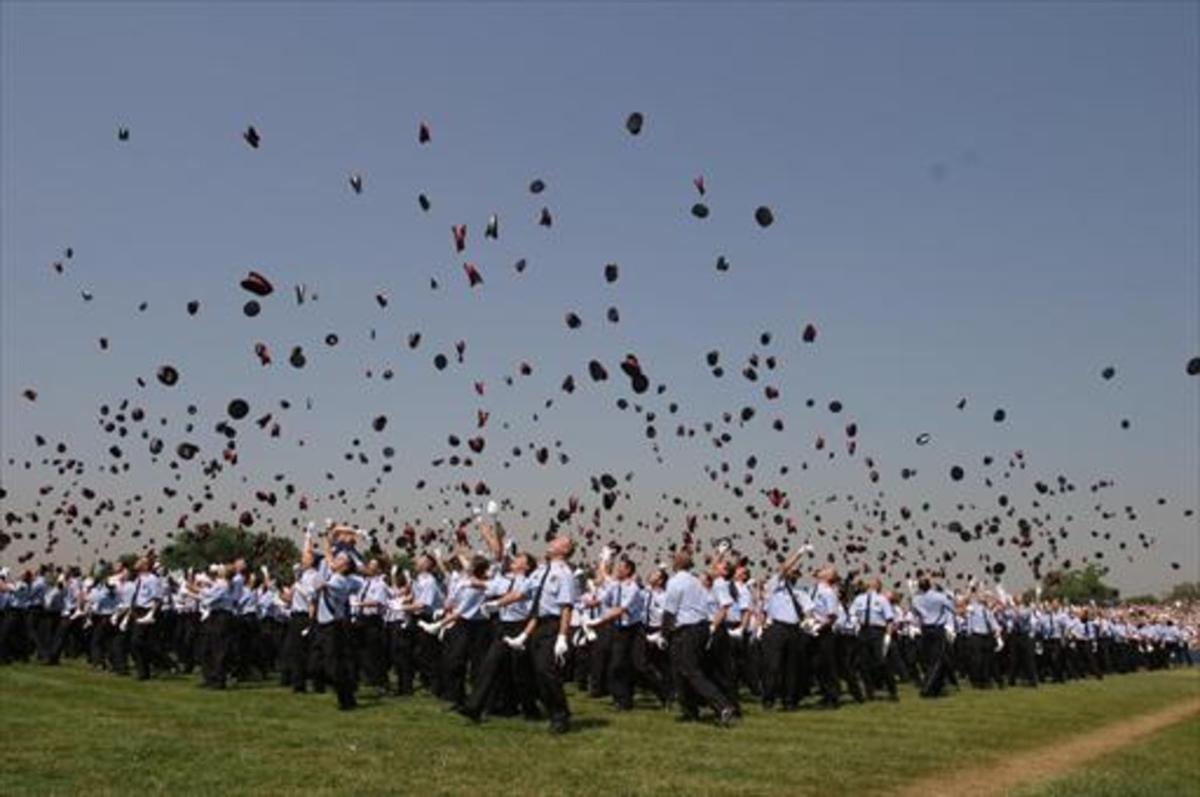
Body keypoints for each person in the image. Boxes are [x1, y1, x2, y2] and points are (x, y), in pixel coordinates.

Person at [662, 548, 736, 727]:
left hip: (686, 630)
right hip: (700, 628)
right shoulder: (696, 581)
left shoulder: (675, 582)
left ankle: (722, 705)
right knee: (681, 672)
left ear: (678, 563)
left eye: (675, 559)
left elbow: (669, 611)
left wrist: (664, 634)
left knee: (690, 670)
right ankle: (690, 711)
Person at [314, 530, 360, 710]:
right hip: (324, 624)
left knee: (334, 666)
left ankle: (346, 699)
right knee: (323, 663)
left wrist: (328, 538)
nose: (335, 560)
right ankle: (346, 693)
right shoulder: (334, 574)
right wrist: (328, 535)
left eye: (340, 559)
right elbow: (327, 557)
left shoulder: (341, 581)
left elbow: (324, 583)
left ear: (345, 566)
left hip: (333, 626)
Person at [760, 548, 811, 710]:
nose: (792, 573)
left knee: (791, 667)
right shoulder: (774, 586)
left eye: (795, 573)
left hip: (794, 630)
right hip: (777, 628)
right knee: (773, 666)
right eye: (791, 571)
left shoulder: (800, 592)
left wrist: (809, 621)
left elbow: (808, 610)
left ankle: (788, 700)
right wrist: (800, 553)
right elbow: (782, 569)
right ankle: (768, 699)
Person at [850, 577, 897, 701]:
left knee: (881, 661)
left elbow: (889, 619)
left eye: (872, 582)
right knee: (864, 663)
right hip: (863, 630)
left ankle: (892, 690)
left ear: (877, 586)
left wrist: (888, 636)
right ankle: (869, 691)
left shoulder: (882, 599)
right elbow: (852, 614)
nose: (869, 584)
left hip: (877, 632)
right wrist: (855, 625)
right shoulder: (859, 599)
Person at [911, 576, 956, 698]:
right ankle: (927, 688)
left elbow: (915, 615)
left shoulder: (915, 599)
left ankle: (937, 688)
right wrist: (945, 591)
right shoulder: (939, 596)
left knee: (929, 659)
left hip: (925, 629)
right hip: (937, 629)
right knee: (937, 660)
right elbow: (952, 607)